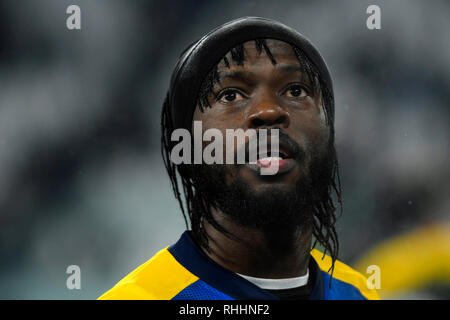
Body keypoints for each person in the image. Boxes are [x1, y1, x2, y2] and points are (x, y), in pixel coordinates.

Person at [98, 17, 379, 300]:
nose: (268, 111)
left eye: (295, 90)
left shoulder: (360, 293)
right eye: (230, 94)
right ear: (184, 145)